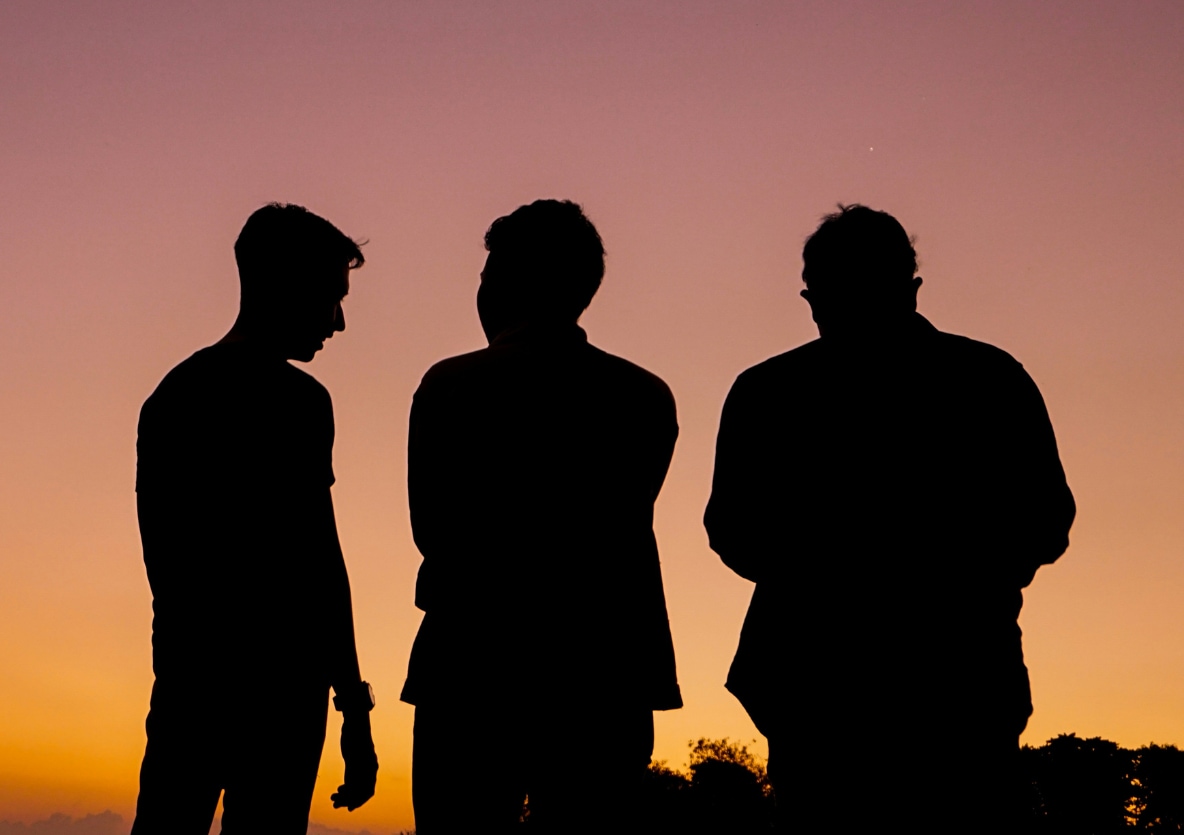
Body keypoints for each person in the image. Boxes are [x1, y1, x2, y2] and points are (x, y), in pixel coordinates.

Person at [704, 205, 1075, 832]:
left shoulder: (768, 391)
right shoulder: (989, 379)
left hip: (832, 682)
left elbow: (734, 531)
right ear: (912, 287)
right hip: (954, 677)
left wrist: (827, 574)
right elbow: (1045, 520)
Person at [402, 199, 682, 834]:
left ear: (506, 283)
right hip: (606, 669)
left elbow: (432, 529)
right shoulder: (644, 395)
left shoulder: (452, 384)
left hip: (473, 665)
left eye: (487, 275)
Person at [131, 203, 378, 834]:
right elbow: (320, 561)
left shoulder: (172, 395)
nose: (339, 322)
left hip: (189, 683)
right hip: (280, 694)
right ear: (287, 287)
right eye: (332, 298)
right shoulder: (299, 403)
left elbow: (165, 563)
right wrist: (353, 706)